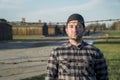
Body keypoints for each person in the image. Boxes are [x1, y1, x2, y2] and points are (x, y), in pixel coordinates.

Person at [45, 13, 108, 80]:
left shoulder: (95, 52)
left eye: (78, 26)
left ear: (84, 29)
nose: (74, 30)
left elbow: (103, 77)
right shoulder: (57, 52)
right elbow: (50, 77)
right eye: (71, 26)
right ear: (66, 30)